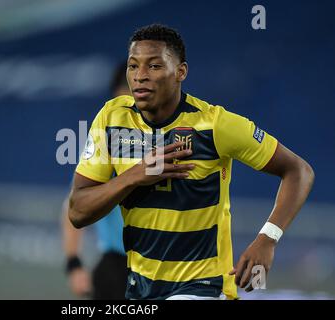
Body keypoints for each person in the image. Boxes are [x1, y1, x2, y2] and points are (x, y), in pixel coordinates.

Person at [68, 24, 315, 300]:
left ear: (181, 72)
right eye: (133, 66)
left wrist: (267, 239)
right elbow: (77, 212)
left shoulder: (214, 124)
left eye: (154, 66)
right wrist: (134, 175)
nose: (140, 77)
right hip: (139, 288)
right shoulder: (112, 119)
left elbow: (298, 170)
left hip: (204, 288)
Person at [62, 63, 130, 300]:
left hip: (164, 269)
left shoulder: (167, 142)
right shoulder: (106, 146)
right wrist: (73, 262)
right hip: (116, 270)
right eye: (118, 105)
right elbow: (74, 206)